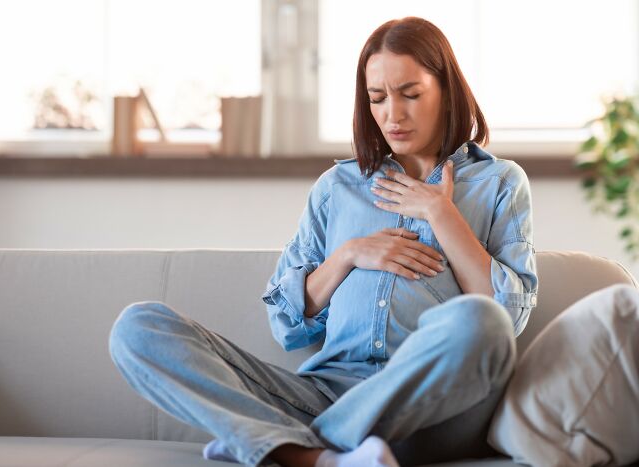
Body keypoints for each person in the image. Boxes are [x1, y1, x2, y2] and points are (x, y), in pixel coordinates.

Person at [108, 16, 538, 467]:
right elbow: (286, 320)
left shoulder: (500, 182)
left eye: (410, 94)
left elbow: (505, 318)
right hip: (324, 393)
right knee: (138, 327)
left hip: (431, 414)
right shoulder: (338, 186)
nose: (393, 114)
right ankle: (322, 458)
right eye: (377, 98)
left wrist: (441, 213)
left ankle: (276, 444)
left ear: (447, 89)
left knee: (479, 322)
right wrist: (348, 255)